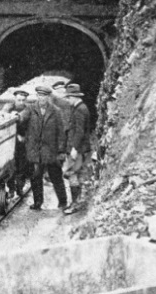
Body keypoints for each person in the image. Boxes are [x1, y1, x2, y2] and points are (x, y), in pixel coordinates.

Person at [20, 85, 67, 210]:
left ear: (48, 97)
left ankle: (63, 201)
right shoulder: (30, 109)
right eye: (40, 95)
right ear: (37, 96)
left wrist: (61, 150)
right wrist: (16, 116)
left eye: (44, 96)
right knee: (35, 177)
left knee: (56, 176)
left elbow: (61, 132)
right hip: (35, 151)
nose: (42, 98)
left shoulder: (56, 111)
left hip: (51, 151)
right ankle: (38, 203)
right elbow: (22, 117)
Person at [62, 83, 91, 215]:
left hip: (77, 149)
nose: (68, 100)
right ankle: (77, 201)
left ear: (73, 97)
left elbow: (79, 131)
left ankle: (74, 204)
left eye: (68, 97)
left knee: (72, 173)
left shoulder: (79, 110)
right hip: (79, 148)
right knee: (74, 174)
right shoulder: (80, 107)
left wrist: (74, 148)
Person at [2, 89, 30, 198]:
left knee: (21, 166)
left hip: (22, 143)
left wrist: (23, 136)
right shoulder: (8, 107)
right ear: (15, 99)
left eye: (23, 100)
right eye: (19, 100)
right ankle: (11, 189)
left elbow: (27, 121)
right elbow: (2, 116)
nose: (21, 102)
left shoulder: (28, 109)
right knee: (10, 167)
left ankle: (20, 188)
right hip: (10, 143)